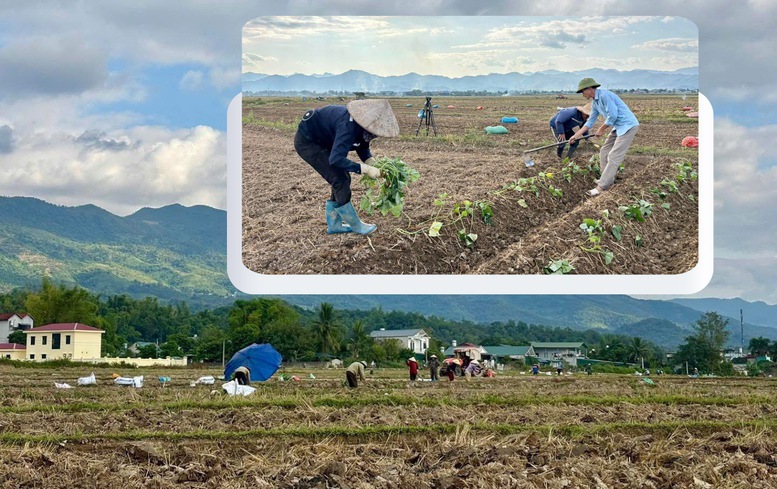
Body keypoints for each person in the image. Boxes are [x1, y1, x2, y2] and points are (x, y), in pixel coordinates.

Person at [294, 99, 400, 235]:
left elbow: (362, 145)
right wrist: (365, 169)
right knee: (340, 179)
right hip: (308, 142)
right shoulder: (348, 126)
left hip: (325, 140)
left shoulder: (361, 127)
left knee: (339, 178)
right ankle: (355, 225)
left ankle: (334, 225)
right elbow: (336, 159)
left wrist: (371, 162)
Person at [569, 78, 640, 197]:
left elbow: (613, 115)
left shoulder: (605, 96)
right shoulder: (595, 103)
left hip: (628, 126)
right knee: (604, 151)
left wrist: (601, 129)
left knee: (614, 155)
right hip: (617, 127)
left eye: (582, 91)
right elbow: (590, 122)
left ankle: (602, 186)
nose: (582, 94)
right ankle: (606, 179)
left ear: (589, 89)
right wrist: (576, 135)